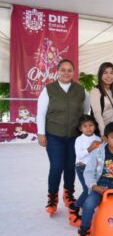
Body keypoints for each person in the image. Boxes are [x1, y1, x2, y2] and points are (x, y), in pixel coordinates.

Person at [37, 59, 89, 217]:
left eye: (69, 70)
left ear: (74, 73)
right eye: (63, 70)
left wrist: (85, 132)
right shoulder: (49, 89)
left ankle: (69, 195)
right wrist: (41, 133)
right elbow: (41, 113)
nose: (66, 73)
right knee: (56, 166)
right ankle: (52, 198)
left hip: (74, 136)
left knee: (70, 166)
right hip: (54, 135)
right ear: (57, 72)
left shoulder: (81, 90)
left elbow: (86, 112)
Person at [72, 115, 101, 226]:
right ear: (80, 128)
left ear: (95, 126)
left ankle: (86, 207)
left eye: (91, 125)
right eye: (85, 126)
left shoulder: (98, 138)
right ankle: (76, 206)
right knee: (87, 189)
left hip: (93, 169)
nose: (88, 128)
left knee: (92, 189)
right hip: (82, 167)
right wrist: (90, 148)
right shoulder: (79, 139)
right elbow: (79, 155)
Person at [89, 62, 113, 136]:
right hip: (101, 131)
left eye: (111, 73)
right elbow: (97, 114)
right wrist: (103, 133)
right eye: (105, 72)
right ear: (100, 75)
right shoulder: (95, 91)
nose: (109, 76)